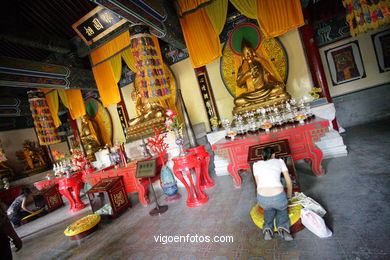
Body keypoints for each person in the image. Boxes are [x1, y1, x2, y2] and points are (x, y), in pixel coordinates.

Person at [234, 39, 290, 108]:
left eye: (249, 52)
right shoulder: (242, 68)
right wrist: (247, 74)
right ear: (243, 56)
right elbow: (239, 83)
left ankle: (258, 104)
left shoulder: (260, 62)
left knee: (280, 88)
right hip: (252, 94)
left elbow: (269, 75)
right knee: (238, 101)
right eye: (245, 53)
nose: (248, 55)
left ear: (253, 52)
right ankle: (266, 102)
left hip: (265, 90)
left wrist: (275, 81)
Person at [253, 146, 293, 241]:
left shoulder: (256, 164)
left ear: (262, 156)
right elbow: (289, 182)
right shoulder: (279, 161)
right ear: (274, 155)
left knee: (269, 210)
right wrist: (289, 197)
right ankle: (283, 229)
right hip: (278, 197)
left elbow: (258, 184)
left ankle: (267, 230)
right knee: (282, 209)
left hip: (262, 199)